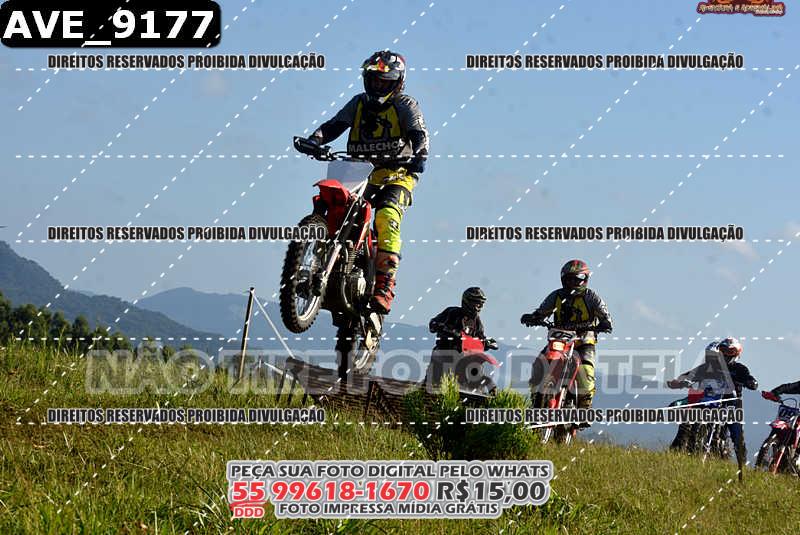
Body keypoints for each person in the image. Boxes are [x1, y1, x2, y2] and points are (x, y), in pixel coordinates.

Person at [306, 50, 429, 314]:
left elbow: (419, 133)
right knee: (332, 204)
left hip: (397, 174)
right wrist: (314, 140)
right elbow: (334, 125)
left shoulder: (405, 104)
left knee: (386, 217)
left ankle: (385, 285)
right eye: (374, 80)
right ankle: (312, 263)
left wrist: (420, 153)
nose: (378, 86)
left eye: (384, 81)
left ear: (397, 82)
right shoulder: (358, 103)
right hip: (358, 172)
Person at [520, 260, 613, 411]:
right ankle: (536, 398)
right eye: (569, 279)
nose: (573, 283)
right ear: (563, 279)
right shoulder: (556, 295)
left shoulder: (592, 297)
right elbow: (542, 311)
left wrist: (605, 324)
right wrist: (533, 317)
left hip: (583, 341)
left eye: (577, 279)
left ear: (585, 279)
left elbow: (606, 317)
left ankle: (584, 408)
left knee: (586, 371)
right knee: (539, 363)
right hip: (559, 339)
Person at [666, 338, 757, 458]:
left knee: (737, 433)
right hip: (710, 399)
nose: (726, 354)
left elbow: (748, 378)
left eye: (729, 352)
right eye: (723, 350)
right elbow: (691, 374)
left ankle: (741, 459)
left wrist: (751, 382)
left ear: (736, 354)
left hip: (731, 403)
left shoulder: (740, 368)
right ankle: (680, 449)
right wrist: (680, 381)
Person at [426, 287, 498, 392]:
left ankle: (487, 389)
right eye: (478, 303)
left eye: (481, 304)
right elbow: (432, 324)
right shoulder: (452, 312)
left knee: (476, 365)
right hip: (444, 354)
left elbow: (481, 337)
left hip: (464, 357)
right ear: (468, 302)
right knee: (435, 383)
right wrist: (447, 329)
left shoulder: (477, 322)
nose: (480, 307)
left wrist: (487, 342)